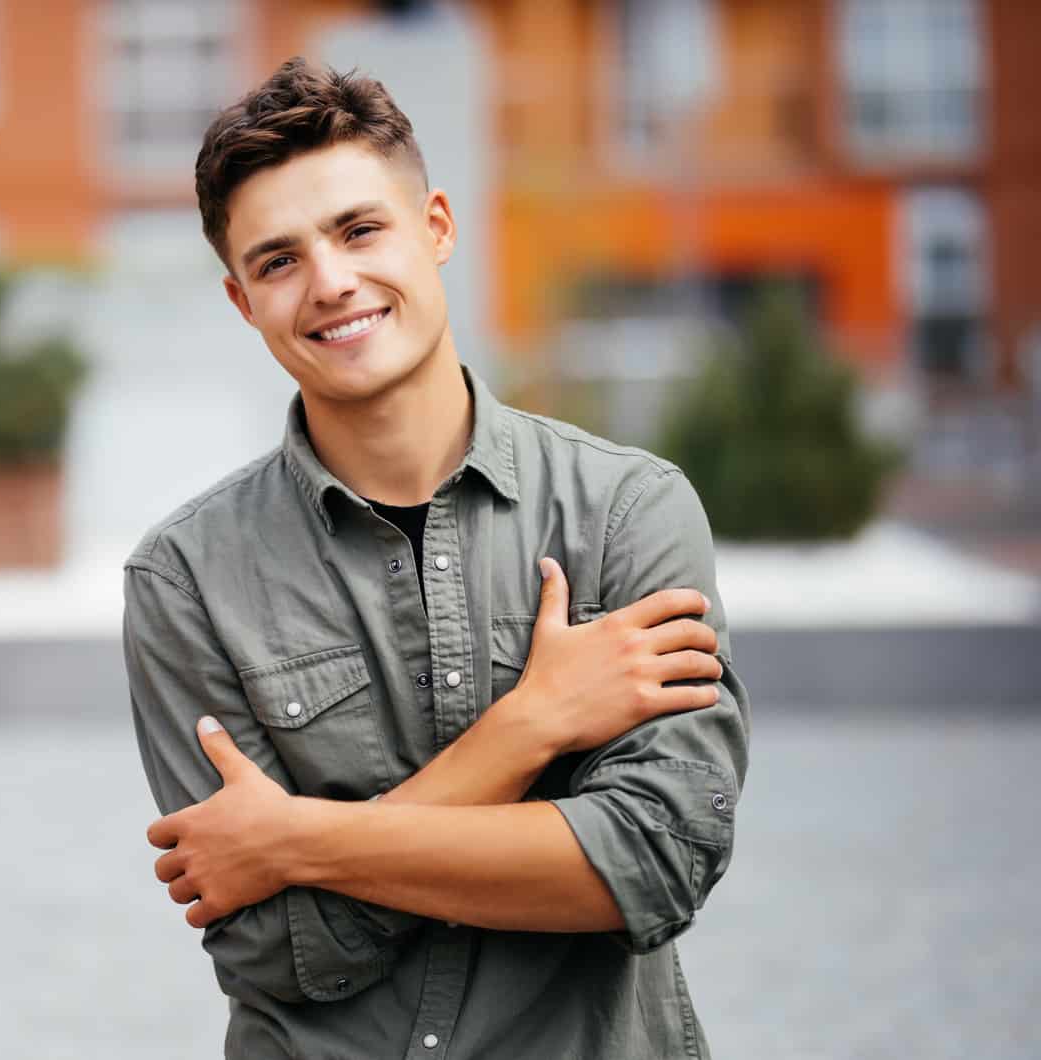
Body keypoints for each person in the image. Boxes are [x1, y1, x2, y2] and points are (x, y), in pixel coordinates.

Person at [122, 57, 750, 1059]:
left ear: (437, 228)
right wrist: (528, 728)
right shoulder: (186, 580)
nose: (330, 282)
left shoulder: (624, 512)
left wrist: (294, 839)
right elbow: (277, 951)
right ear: (243, 302)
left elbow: (655, 859)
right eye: (278, 261)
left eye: (360, 229)